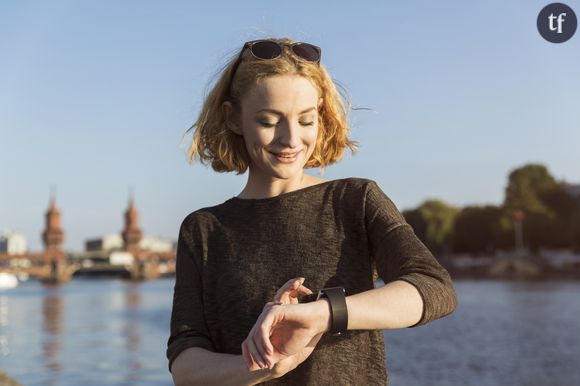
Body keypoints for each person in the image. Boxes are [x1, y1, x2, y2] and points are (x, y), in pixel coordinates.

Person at [166, 37, 458, 386]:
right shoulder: (203, 229)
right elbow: (185, 365)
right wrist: (262, 367)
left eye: (306, 120)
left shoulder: (355, 199)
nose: (291, 139)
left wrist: (321, 314)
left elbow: (434, 288)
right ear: (233, 119)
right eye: (269, 120)